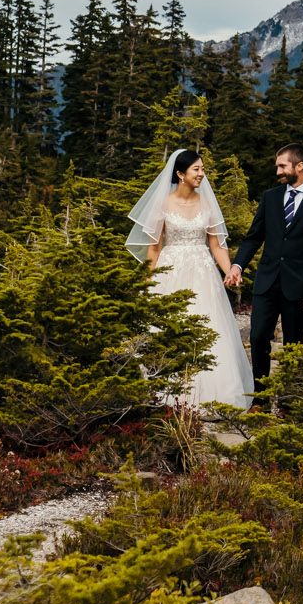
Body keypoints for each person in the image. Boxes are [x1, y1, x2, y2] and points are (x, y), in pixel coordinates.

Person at [124, 148, 252, 410]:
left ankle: (215, 396)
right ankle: (167, 394)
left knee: (210, 328)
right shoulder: (163, 204)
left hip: (203, 273)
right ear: (181, 174)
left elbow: (217, 246)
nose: (202, 174)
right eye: (197, 169)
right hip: (170, 272)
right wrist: (147, 282)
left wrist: (229, 270)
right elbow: (154, 249)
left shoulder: (207, 204)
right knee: (170, 326)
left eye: (203, 169)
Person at [233, 143, 303, 390]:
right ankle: (260, 398)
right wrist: (237, 265)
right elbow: (254, 237)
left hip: (299, 285)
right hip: (267, 280)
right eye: (277, 166)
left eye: (282, 166)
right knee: (258, 338)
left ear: (299, 166)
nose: (278, 171)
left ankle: (289, 403)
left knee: (294, 344)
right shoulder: (270, 197)